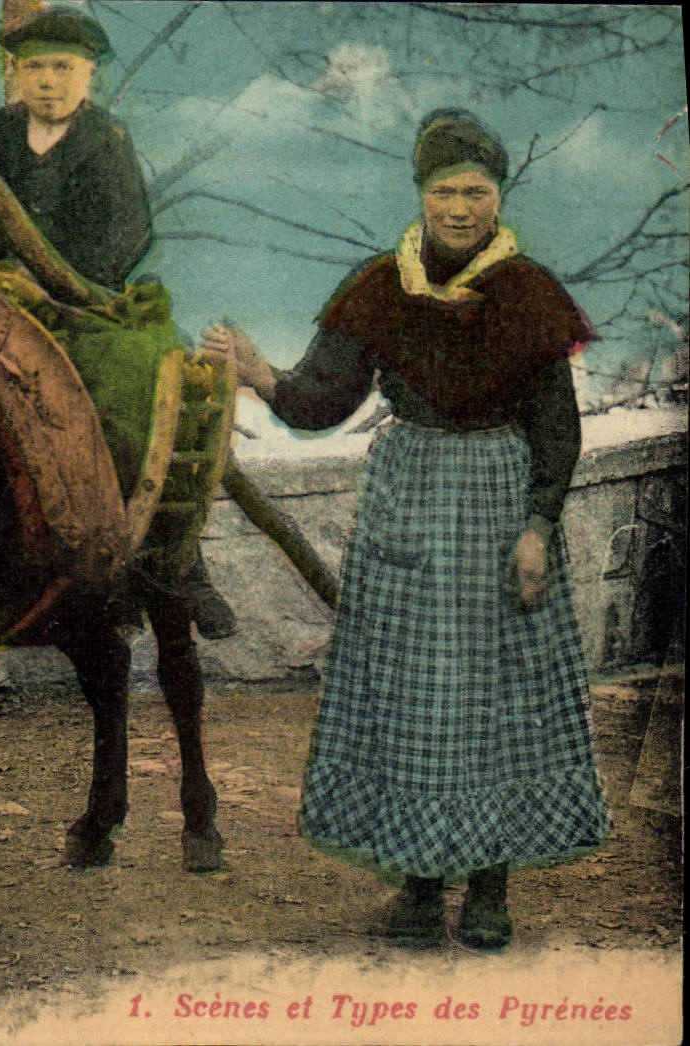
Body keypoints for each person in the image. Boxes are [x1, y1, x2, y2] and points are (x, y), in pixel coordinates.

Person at [202, 109, 610, 949]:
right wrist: (258, 374)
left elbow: (555, 428)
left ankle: (488, 890)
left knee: (498, 698)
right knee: (412, 696)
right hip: (407, 496)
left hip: (497, 499)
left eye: (476, 190)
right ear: (420, 194)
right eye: (443, 190)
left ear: (498, 197)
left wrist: (537, 526)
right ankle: (421, 890)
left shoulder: (527, 293)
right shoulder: (379, 287)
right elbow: (322, 400)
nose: (459, 207)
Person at [0, 3, 237, 637]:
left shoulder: (105, 140)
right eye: (34, 67)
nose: (48, 81)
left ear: (88, 75)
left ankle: (179, 563)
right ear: (15, 74)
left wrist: (67, 285)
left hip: (82, 303)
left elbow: (131, 232)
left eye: (63, 68)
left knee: (133, 379)